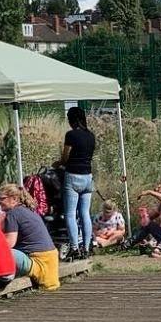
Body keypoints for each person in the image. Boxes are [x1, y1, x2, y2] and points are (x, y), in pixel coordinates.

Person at [0, 184, 61, 290]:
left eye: (2, 198)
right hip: (50, 259)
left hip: (37, 261)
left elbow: (9, 243)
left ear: (14, 199)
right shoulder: (29, 211)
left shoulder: (12, 214)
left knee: (1, 252)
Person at [56, 105, 98, 258]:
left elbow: (65, 158)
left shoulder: (71, 135)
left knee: (70, 214)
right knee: (85, 213)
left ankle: (74, 247)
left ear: (72, 120)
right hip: (88, 177)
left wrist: (58, 163)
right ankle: (86, 248)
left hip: (73, 176)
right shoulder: (91, 135)